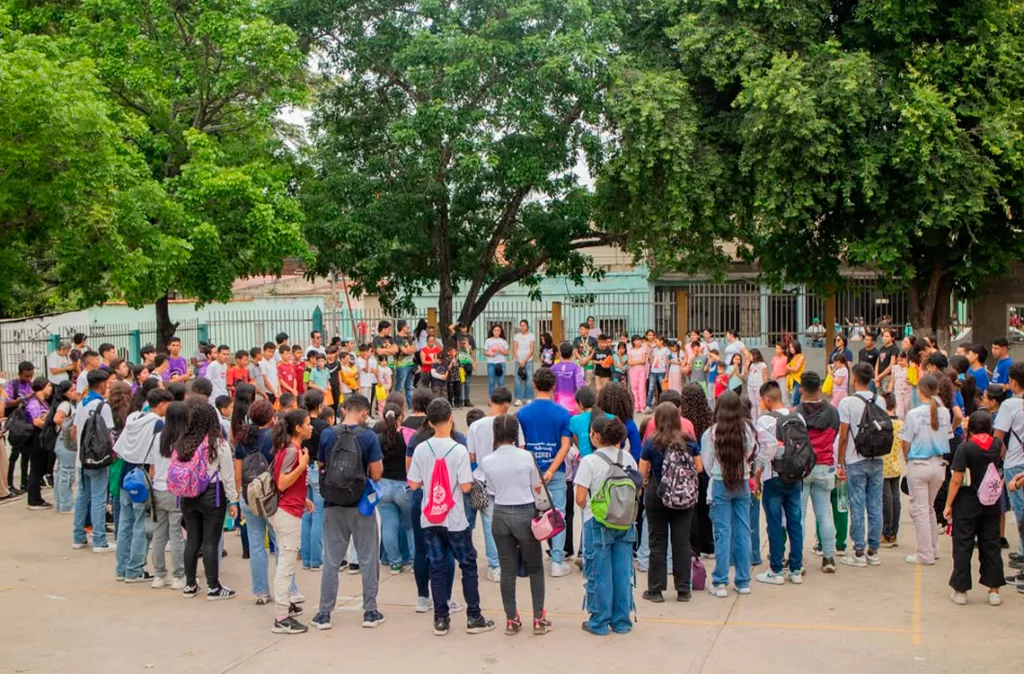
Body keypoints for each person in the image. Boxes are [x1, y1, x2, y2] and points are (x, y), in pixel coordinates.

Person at [407, 398, 496, 636]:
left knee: (436, 566)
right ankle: (474, 616)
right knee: (467, 565)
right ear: (450, 419)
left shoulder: (420, 448)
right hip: (454, 516)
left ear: (429, 421)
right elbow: (466, 486)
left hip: (430, 518)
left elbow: (414, 483)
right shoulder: (458, 450)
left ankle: (441, 619)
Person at [311, 395, 385, 631]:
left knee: (332, 560)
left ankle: (324, 613)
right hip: (361, 505)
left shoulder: (327, 434)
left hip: (333, 503)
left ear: (344, 410)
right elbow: (376, 474)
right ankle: (370, 611)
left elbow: (321, 465)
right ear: (364, 413)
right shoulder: (368, 436)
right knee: (368, 557)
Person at [478, 414, 551, 635]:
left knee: (507, 569)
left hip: (499, 513)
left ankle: (512, 619)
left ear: (495, 434)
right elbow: (534, 486)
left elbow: (490, 490)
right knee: (535, 567)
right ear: (516, 433)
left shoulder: (487, 461)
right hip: (525, 513)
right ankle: (538, 619)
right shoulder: (527, 456)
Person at [574, 414, 638, 635]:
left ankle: (599, 621)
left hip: (598, 523)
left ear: (597, 436)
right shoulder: (628, 457)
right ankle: (622, 621)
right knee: (622, 572)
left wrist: (594, 508)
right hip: (625, 521)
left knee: (600, 573)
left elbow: (580, 498)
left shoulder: (589, 461)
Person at [234, 399, 299, 603]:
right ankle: (289, 589)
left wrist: (239, 496)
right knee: (281, 543)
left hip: (249, 495)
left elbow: (238, 473)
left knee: (256, 545)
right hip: (271, 498)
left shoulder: (243, 439)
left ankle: (261, 591)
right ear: (272, 417)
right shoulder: (275, 438)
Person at [175, 403, 239, 599]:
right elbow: (228, 476)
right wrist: (233, 500)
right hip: (212, 493)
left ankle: (190, 584)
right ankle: (213, 586)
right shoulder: (218, 444)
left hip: (188, 495)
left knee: (192, 540)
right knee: (211, 540)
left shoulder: (183, 442)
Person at [639, 402, 699, 602]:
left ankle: (655, 590)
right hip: (683, 494)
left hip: (657, 491)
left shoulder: (651, 442)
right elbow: (699, 468)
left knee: (657, 541)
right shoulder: (689, 441)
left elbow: (642, 472)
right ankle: (683, 590)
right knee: (682, 542)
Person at [944, 410, 1005, 606]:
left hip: (967, 501)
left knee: (963, 544)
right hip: (991, 501)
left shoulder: (966, 448)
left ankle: (961, 590)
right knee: (991, 544)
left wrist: (948, 504)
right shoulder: (997, 445)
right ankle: (994, 590)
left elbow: (956, 478)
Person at [517, 367, 573, 577]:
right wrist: (550, 470)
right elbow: (565, 445)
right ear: (553, 386)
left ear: (533, 385)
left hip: (530, 472)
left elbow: (520, 446)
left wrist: (536, 471)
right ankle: (557, 561)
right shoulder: (562, 413)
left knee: (529, 514)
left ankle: (531, 561)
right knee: (558, 514)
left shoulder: (522, 413)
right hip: (555, 471)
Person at [113, 388, 171, 582]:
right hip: (143, 477)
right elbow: (155, 455)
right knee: (142, 524)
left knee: (125, 523)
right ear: (161, 404)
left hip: (126, 475)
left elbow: (119, 449)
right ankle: (135, 569)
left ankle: (121, 568)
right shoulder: (158, 424)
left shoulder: (134, 419)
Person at [701, 391, 755, 597]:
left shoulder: (712, 433)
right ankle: (742, 581)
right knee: (743, 531)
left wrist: (718, 471)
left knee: (722, 532)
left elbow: (707, 462)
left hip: (720, 482)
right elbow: (750, 453)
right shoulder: (747, 431)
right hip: (742, 481)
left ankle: (720, 581)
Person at [466, 387, 522, 582]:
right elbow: (520, 449)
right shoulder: (513, 423)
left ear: (491, 402)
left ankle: (495, 565)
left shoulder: (476, 426)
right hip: (509, 481)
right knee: (511, 523)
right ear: (506, 404)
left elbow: (471, 455)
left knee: (490, 525)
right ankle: (509, 561)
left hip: (483, 481)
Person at [269, 408, 316, 634]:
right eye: (308, 423)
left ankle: (285, 605)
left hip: (290, 508)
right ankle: (281, 617)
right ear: (298, 428)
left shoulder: (290, 449)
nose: (311, 427)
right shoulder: (293, 452)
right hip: (287, 513)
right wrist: (301, 465)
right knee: (286, 564)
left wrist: (303, 497)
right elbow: (282, 483)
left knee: (286, 562)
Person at [753, 381, 804, 585]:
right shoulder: (798, 417)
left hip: (773, 477)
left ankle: (775, 569)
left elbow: (762, 450)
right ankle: (796, 569)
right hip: (795, 476)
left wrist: (757, 476)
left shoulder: (764, 421)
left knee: (774, 524)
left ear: (767, 399)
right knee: (795, 523)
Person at [900, 373, 954, 566]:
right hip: (938, 464)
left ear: (920, 390)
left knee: (919, 510)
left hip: (919, 463)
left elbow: (905, 442)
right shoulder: (944, 412)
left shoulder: (914, 414)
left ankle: (925, 553)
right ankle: (933, 548)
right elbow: (948, 435)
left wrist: (907, 459)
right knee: (928, 508)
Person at [837, 363, 886, 567]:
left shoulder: (847, 403)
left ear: (854, 379)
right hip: (877, 457)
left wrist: (840, 462)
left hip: (855, 459)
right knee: (875, 504)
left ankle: (858, 551)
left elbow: (844, 436)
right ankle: (873, 550)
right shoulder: (880, 400)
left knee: (857, 505)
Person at [797, 372, 840, 573]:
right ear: (820, 388)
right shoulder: (833, 412)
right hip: (825, 466)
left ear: (801, 389)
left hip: (802, 468)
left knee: (799, 516)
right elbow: (835, 437)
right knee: (824, 514)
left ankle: (797, 559)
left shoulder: (796, 413)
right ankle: (829, 557)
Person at [72, 369, 115, 553]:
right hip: (98, 458)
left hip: (82, 458)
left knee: (83, 496)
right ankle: (99, 540)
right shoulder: (102, 406)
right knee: (98, 497)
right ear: (103, 384)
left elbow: (74, 431)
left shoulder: (82, 402)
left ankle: (78, 537)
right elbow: (109, 435)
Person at [151, 400, 187, 589]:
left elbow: (152, 466)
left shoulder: (157, 437)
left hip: (158, 488)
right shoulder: (185, 439)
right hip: (177, 491)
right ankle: (179, 576)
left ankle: (159, 575)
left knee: (159, 534)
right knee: (176, 535)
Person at [377, 402, 415, 574]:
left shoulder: (379, 439)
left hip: (384, 486)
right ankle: (415, 560)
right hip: (403, 487)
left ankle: (394, 562)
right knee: (410, 526)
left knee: (388, 525)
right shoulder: (407, 438)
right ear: (400, 418)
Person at [993, 362, 1024, 562]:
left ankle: (1023, 554)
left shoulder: (1009, 405)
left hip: (1015, 462)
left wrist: (1003, 456)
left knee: (1020, 510)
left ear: (1013, 382)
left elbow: (998, 436)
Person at [300, 392, 329, 571]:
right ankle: (316, 560)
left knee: (306, 514)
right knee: (318, 514)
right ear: (319, 407)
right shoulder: (324, 426)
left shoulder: (299, 423)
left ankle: (306, 558)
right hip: (317, 468)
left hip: (302, 468)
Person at [50, 381, 79, 513]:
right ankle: (66, 504)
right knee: (67, 473)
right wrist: (69, 428)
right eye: (72, 390)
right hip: (65, 442)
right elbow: (57, 419)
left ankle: (60, 503)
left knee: (61, 472)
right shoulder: (65, 405)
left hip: (62, 442)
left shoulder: (68, 404)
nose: (75, 392)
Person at [880, 392, 904, 548]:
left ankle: (886, 532)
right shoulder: (901, 424)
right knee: (895, 498)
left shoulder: (881, 424)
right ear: (895, 405)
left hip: (882, 464)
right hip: (896, 463)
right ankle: (894, 531)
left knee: (886, 500)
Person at [512, 320, 536, 406]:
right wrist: (519, 360)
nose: (522, 327)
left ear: (527, 326)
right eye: (521, 325)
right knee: (518, 379)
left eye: (524, 325)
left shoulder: (531, 336)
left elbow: (531, 350)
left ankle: (529, 398)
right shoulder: (516, 336)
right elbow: (514, 349)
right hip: (518, 361)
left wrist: (525, 360)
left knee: (529, 379)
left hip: (528, 360)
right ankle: (519, 398)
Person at [484, 324, 510, 396]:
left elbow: (507, 352)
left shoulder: (503, 341)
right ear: (492, 331)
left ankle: (501, 398)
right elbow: (485, 352)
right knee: (491, 382)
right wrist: (490, 354)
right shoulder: (488, 340)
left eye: (498, 330)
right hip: (491, 363)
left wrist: (500, 351)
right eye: (495, 330)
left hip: (501, 363)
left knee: (501, 382)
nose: (497, 332)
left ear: (501, 332)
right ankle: (491, 399)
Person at [627, 335, 649, 411]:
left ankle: (642, 406)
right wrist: (638, 362)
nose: (638, 341)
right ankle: (636, 406)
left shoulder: (643, 349)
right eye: (636, 340)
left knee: (641, 388)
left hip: (642, 370)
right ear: (633, 341)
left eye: (639, 340)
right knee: (634, 388)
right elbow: (629, 362)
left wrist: (634, 362)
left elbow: (644, 361)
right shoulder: (630, 350)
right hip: (633, 371)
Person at [573, 323, 599, 387]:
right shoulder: (576, 339)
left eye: (581, 329)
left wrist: (586, 360)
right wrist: (581, 359)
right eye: (579, 329)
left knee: (588, 383)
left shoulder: (593, 340)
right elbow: (575, 351)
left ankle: (587, 396)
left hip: (589, 365)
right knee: (578, 382)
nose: (580, 331)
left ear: (587, 330)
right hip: (579, 364)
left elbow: (593, 352)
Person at [786, 341, 806, 406]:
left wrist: (788, 367)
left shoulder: (801, 356)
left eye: (792, 347)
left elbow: (795, 369)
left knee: (794, 400)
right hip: (791, 380)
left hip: (798, 380)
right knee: (791, 400)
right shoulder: (791, 357)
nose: (791, 349)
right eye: (790, 347)